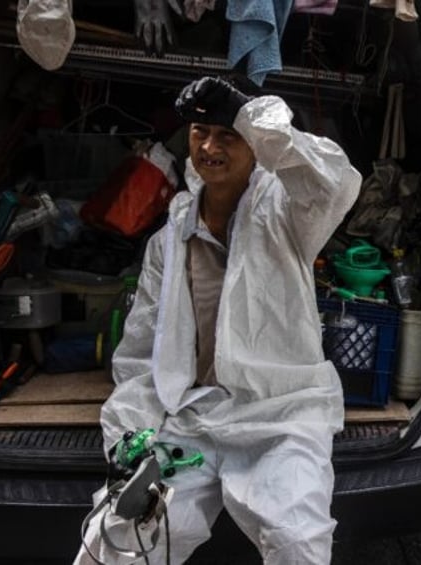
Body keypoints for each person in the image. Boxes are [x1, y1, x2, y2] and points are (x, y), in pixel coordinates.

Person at [75, 76, 362, 565]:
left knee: (297, 541)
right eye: (200, 132)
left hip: (280, 416)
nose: (209, 146)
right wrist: (132, 434)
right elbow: (143, 349)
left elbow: (332, 180)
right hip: (192, 420)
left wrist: (250, 114)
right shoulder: (170, 238)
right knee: (122, 538)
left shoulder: (289, 214)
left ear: (255, 145)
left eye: (227, 135)